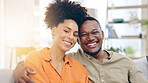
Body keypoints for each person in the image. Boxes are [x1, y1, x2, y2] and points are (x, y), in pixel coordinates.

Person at [13, 16, 148, 83]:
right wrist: (18, 69)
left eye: (94, 32)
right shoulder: (72, 60)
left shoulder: (125, 62)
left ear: (102, 34)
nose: (90, 38)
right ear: (78, 41)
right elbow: (45, 59)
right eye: (83, 35)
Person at [16, 0, 89, 83]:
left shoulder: (79, 68)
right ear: (53, 31)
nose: (71, 37)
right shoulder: (35, 58)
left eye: (75, 34)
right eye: (66, 31)